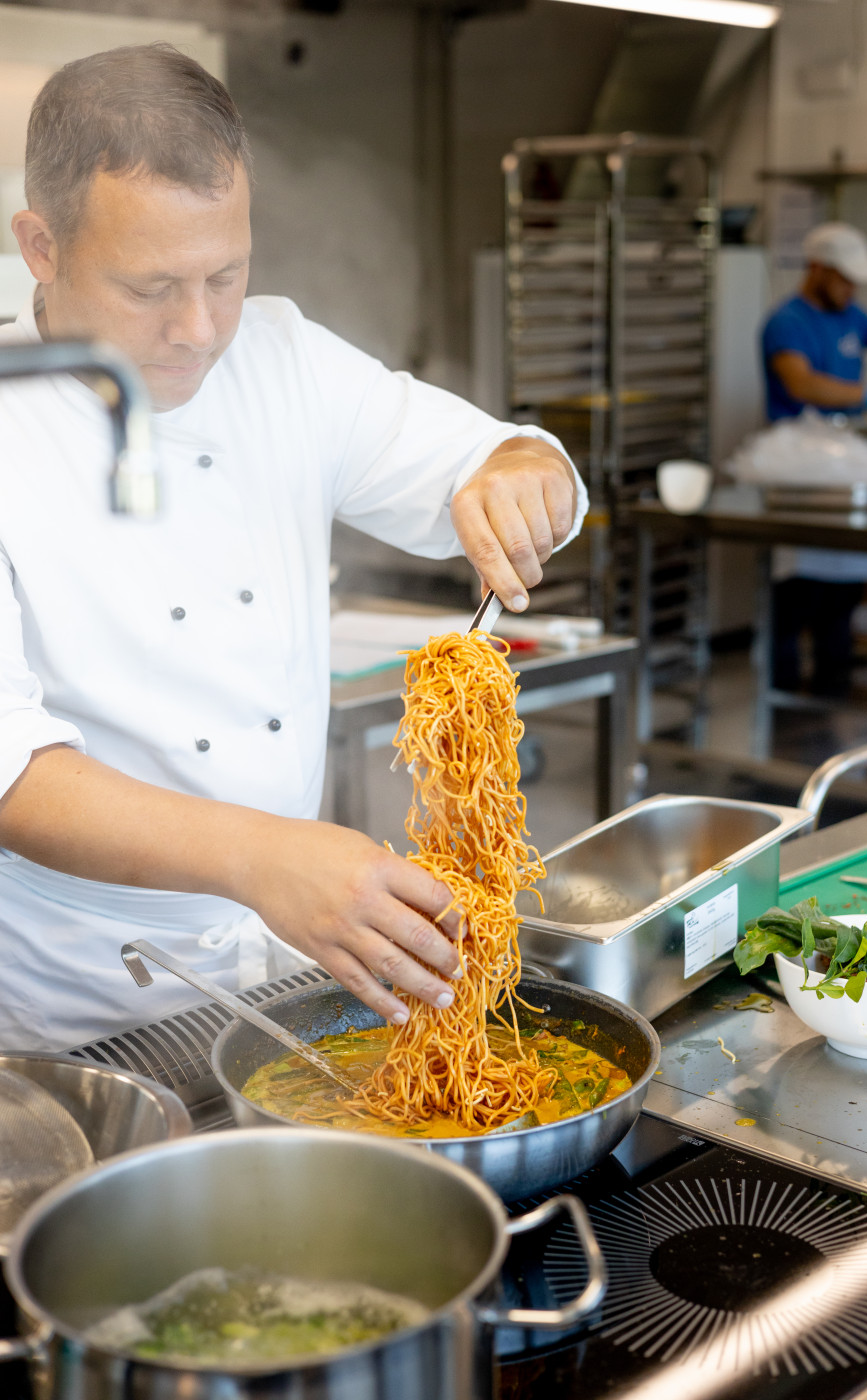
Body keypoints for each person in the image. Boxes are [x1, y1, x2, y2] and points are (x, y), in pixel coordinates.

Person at [0, 45, 587, 1052]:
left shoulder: (281, 355)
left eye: (226, 273)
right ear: (40, 246)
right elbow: (13, 772)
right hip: (75, 1002)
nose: (198, 328)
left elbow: (498, 461)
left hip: (288, 964)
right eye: (151, 286)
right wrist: (266, 857)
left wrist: (524, 468)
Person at [762, 223, 867, 696]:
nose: (853, 287)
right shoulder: (788, 321)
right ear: (818, 268)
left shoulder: (850, 313)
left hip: (846, 467)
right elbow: (800, 384)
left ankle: (831, 693)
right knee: (799, 593)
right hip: (799, 469)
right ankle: (780, 698)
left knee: (843, 595)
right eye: (845, 277)